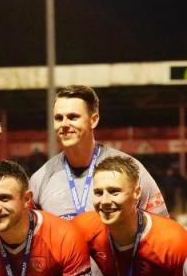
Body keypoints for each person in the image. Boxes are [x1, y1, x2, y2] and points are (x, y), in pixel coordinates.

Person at [29, 85, 167, 221]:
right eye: (59, 118)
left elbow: (163, 229)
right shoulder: (40, 179)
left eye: (73, 117)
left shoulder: (131, 170)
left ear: (93, 120)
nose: (64, 124)